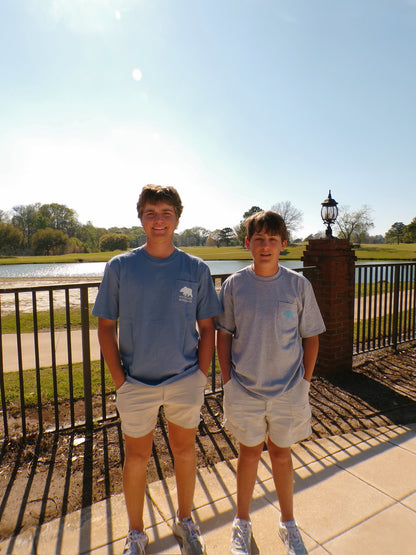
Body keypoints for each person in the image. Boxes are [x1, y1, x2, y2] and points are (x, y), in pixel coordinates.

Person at [92, 185, 221, 555]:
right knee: (136, 457)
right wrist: (121, 381)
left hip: (184, 380)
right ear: (141, 218)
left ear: (177, 218)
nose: (158, 220)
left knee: (184, 452)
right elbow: (105, 327)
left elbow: (208, 327)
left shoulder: (195, 268)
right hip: (136, 383)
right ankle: (136, 534)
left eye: (166, 212)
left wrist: (201, 374)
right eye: (151, 212)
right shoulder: (120, 266)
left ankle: (185, 520)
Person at [216, 210, 326, 555]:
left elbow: (311, 338)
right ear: (247, 243)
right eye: (258, 239)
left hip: (289, 390)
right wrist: (227, 381)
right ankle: (242, 522)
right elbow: (224, 336)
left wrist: (305, 382)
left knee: (281, 454)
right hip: (245, 389)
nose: (265, 246)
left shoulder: (298, 285)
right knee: (248, 454)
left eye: (272, 240)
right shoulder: (235, 285)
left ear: (284, 245)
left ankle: (288, 524)